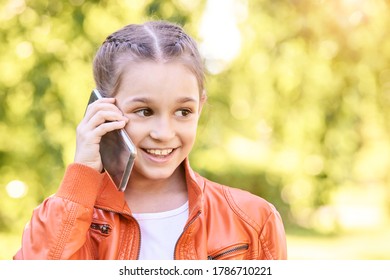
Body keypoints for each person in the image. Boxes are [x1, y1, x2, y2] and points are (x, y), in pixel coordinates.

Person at [14, 20, 287, 260]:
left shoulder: (253, 220)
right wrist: (82, 175)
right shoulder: (67, 216)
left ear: (200, 107)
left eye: (183, 111)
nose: (164, 133)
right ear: (102, 110)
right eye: (144, 111)